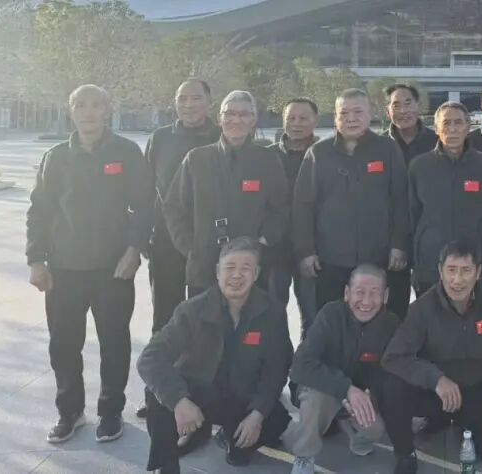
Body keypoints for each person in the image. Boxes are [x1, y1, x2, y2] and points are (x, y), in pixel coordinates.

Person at [27, 84, 153, 444]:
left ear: (106, 111)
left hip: (113, 269)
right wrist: (36, 260)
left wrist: (134, 249)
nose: (88, 112)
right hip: (63, 269)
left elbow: (145, 205)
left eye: (96, 105)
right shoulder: (56, 157)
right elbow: (39, 212)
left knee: (114, 342)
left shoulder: (126, 152)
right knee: (63, 344)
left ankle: (110, 412)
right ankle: (70, 411)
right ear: (71, 111)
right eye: (80, 105)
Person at [138, 238, 292, 474]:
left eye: (246, 268)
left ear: (256, 274)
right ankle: (167, 465)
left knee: (272, 425)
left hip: (243, 396)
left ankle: (228, 436)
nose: (237, 275)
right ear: (218, 272)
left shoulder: (272, 312)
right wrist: (179, 400)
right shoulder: (191, 310)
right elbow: (150, 358)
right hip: (199, 392)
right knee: (158, 396)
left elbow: (277, 368)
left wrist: (257, 415)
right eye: (230, 267)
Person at [381, 240, 482, 474]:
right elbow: (393, 357)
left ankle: (461, 422)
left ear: (478, 272)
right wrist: (435, 379)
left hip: (474, 388)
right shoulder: (422, 308)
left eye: (466, 271)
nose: (457, 280)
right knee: (393, 387)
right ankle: (405, 453)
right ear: (440, 271)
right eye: (451, 270)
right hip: (436, 391)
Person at [293, 88, 410, 313]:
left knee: (382, 318)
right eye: (344, 113)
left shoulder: (387, 149)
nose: (351, 119)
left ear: (370, 114)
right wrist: (305, 250)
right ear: (335, 116)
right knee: (331, 318)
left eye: (358, 112)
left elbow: (401, 201)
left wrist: (399, 245)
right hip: (330, 259)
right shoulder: (318, 153)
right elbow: (303, 206)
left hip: (379, 257)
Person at [163, 90, 289, 297]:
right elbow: (174, 207)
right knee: (204, 317)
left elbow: (281, 207)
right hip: (205, 266)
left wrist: (265, 239)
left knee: (251, 317)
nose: (236, 120)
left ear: (253, 120)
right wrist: (191, 247)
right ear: (219, 119)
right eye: (230, 114)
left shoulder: (267, 160)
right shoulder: (197, 159)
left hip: (251, 266)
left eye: (244, 114)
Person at [284, 264, 400, 474]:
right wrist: (346, 389)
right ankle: (304, 455)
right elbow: (300, 364)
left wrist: (371, 396)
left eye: (374, 293)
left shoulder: (391, 324)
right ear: (347, 293)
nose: (366, 301)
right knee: (316, 397)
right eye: (359, 292)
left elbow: (390, 370)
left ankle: (355, 432)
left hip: (359, 394)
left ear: (385, 296)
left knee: (375, 429)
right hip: (325, 388)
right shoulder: (330, 315)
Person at [145, 79, 221, 336]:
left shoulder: (222, 136)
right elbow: (146, 190)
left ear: (210, 103)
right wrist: (145, 235)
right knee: (166, 317)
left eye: (196, 98)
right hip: (166, 240)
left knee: (207, 317)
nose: (189, 104)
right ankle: (164, 361)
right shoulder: (160, 138)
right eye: (182, 99)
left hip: (210, 241)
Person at [408, 102, 482, 296]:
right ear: (436, 128)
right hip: (430, 264)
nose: (452, 129)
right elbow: (411, 216)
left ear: (468, 127)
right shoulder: (419, 167)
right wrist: (414, 263)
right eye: (446, 123)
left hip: (474, 264)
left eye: (458, 123)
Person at [267, 97, 320, 339]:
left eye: (303, 118)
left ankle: (306, 362)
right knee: (271, 315)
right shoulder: (266, 156)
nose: (296, 123)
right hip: (274, 250)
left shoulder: (325, 154)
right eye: (291, 118)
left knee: (313, 315)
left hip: (313, 251)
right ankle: (276, 361)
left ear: (315, 121)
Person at [383, 83, 436, 318]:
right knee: (393, 307)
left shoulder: (437, 142)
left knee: (431, 307)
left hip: (429, 238)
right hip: (390, 240)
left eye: (408, 103)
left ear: (419, 106)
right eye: (396, 105)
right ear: (388, 111)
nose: (403, 110)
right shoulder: (379, 146)